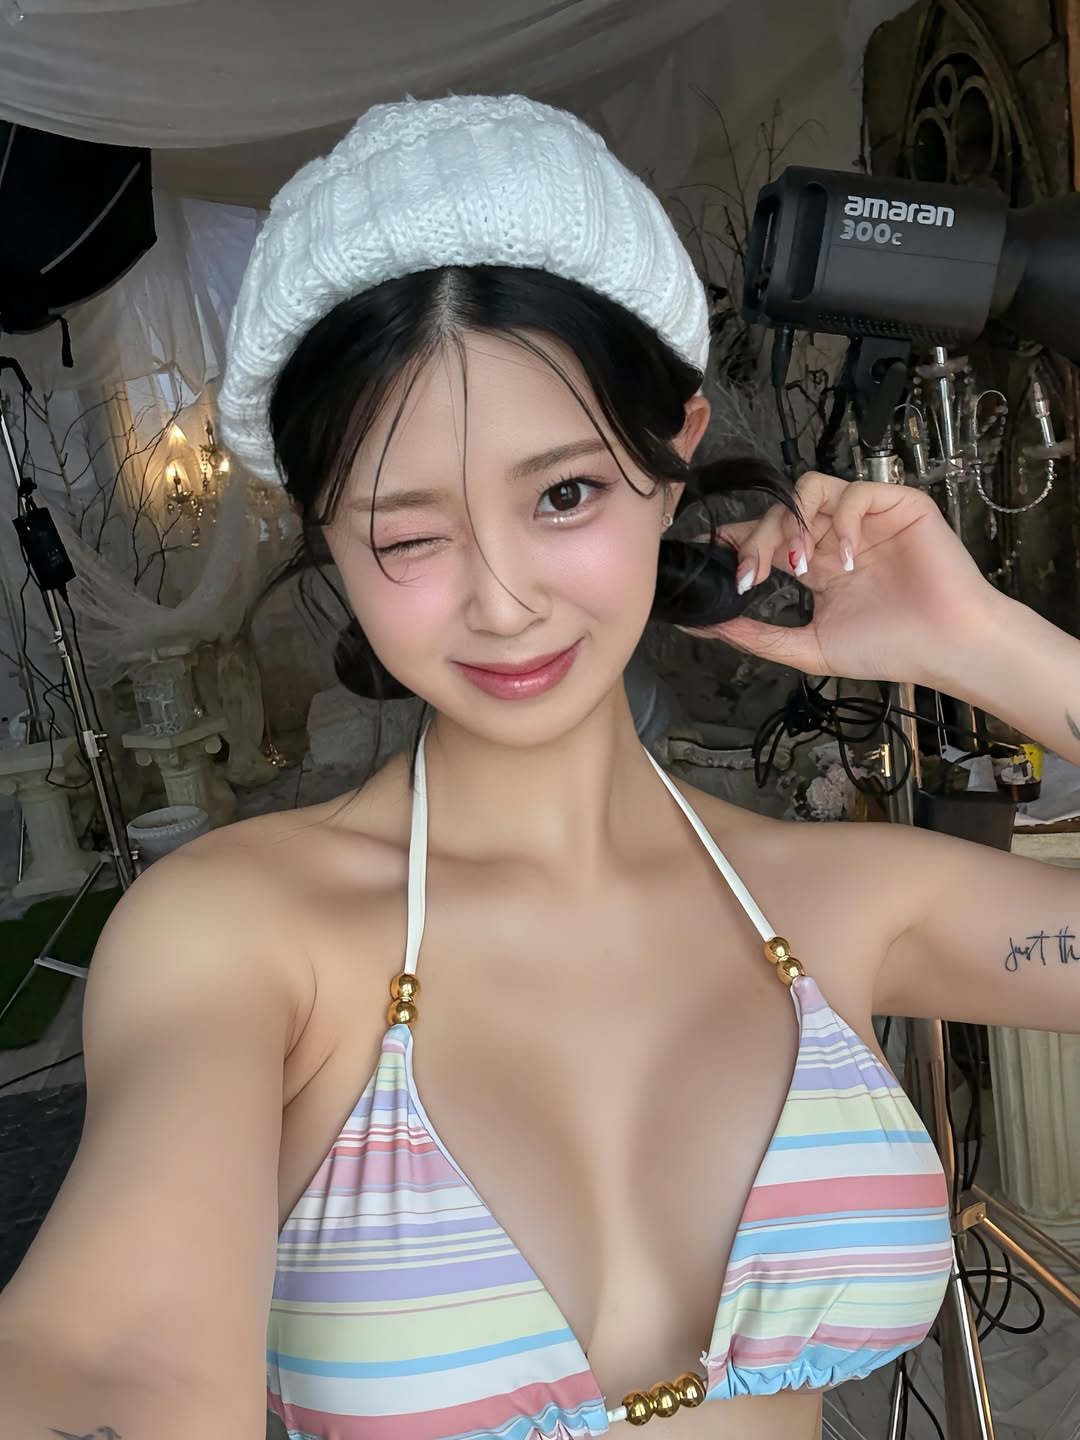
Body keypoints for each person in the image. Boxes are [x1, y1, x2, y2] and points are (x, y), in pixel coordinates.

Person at [1, 93, 1078, 1440]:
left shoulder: (841, 900)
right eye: (408, 533)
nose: (503, 604)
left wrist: (990, 646)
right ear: (324, 535)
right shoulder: (236, 937)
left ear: (673, 460)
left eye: (564, 495)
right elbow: (108, 1358)